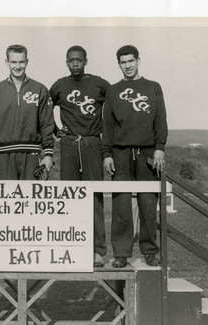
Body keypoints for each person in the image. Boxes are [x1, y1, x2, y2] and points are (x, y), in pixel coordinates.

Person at [102, 45, 167, 268]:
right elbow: (107, 126)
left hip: (147, 151)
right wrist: (107, 154)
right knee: (121, 203)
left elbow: (160, 119)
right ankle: (121, 253)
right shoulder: (113, 90)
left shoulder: (153, 87)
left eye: (131, 61)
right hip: (120, 152)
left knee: (148, 202)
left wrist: (160, 147)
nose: (127, 66)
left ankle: (149, 250)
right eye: (123, 62)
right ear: (118, 64)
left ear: (138, 60)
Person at [49, 45, 110, 268]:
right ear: (66, 62)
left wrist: (105, 130)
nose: (75, 64)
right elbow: (44, 108)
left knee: (94, 197)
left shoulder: (99, 83)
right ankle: (72, 246)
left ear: (86, 61)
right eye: (71, 60)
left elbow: (114, 107)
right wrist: (56, 130)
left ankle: (98, 250)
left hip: (93, 143)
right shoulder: (60, 85)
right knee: (70, 197)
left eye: (79, 60)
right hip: (69, 143)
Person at [0, 44, 55, 180]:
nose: (17, 66)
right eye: (13, 62)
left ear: (27, 62)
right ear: (7, 63)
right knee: (5, 199)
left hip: (31, 153)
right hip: (4, 154)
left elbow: (46, 124)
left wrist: (48, 154)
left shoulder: (39, 89)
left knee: (31, 199)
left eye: (21, 62)